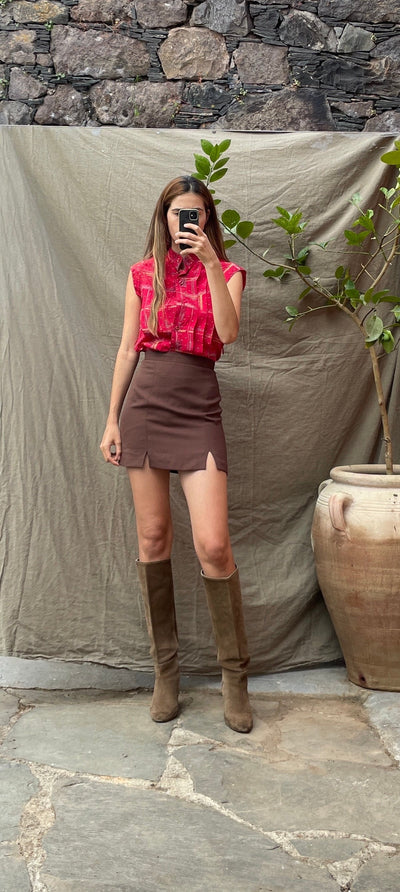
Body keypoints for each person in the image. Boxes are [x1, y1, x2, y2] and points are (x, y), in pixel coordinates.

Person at [100, 176, 252, 734]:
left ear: (208, 219)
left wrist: (210, 263)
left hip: (198, 410)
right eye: (177, 213)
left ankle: (235, 678)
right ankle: (166, 673)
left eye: (197, 213)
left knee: (213, 545)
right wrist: (112, 419)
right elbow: (127, 349)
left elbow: (227, 335)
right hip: (144, 407)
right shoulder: (143, 274)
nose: (187, 221)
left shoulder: (229, 273)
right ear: (163, 217)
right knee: (153, 538)